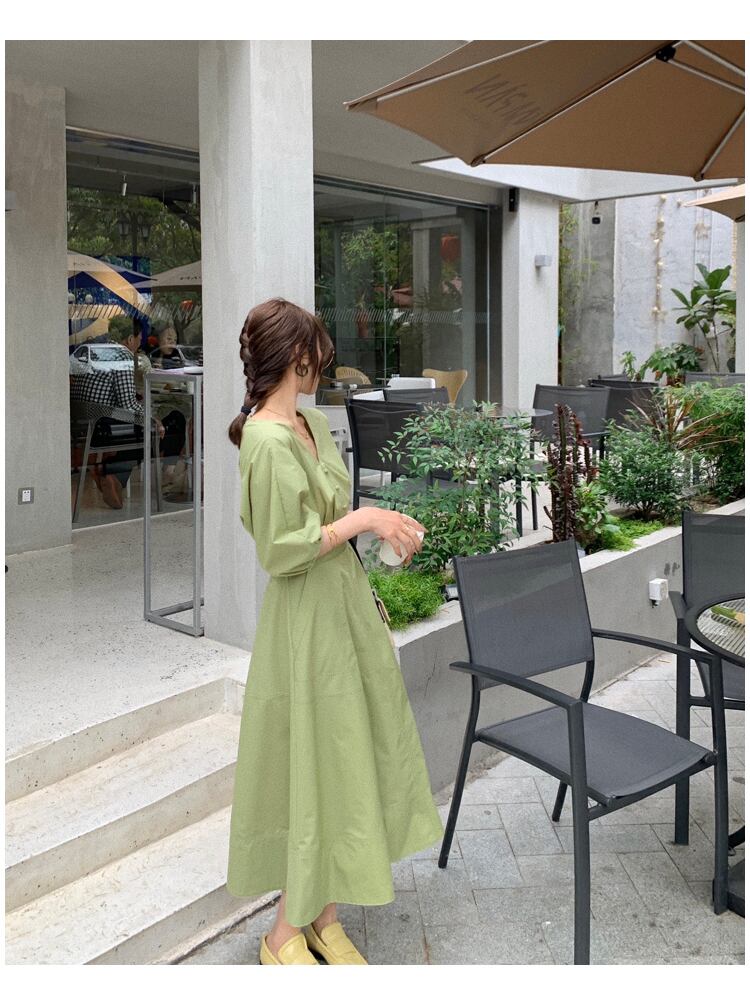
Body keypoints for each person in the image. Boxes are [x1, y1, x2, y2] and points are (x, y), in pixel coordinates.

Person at [225, 298, 443, 966]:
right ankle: (282, 934)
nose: (322, 362)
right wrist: (367, 519)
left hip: (343, 602)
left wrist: (376, 529)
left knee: (344, 757)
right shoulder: (265, 439)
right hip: (305, 619)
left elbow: (330, 519)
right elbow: (282, 549)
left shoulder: (312, 420)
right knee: (313, 762)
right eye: (315, 352)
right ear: (295, 356)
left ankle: (323, 917)